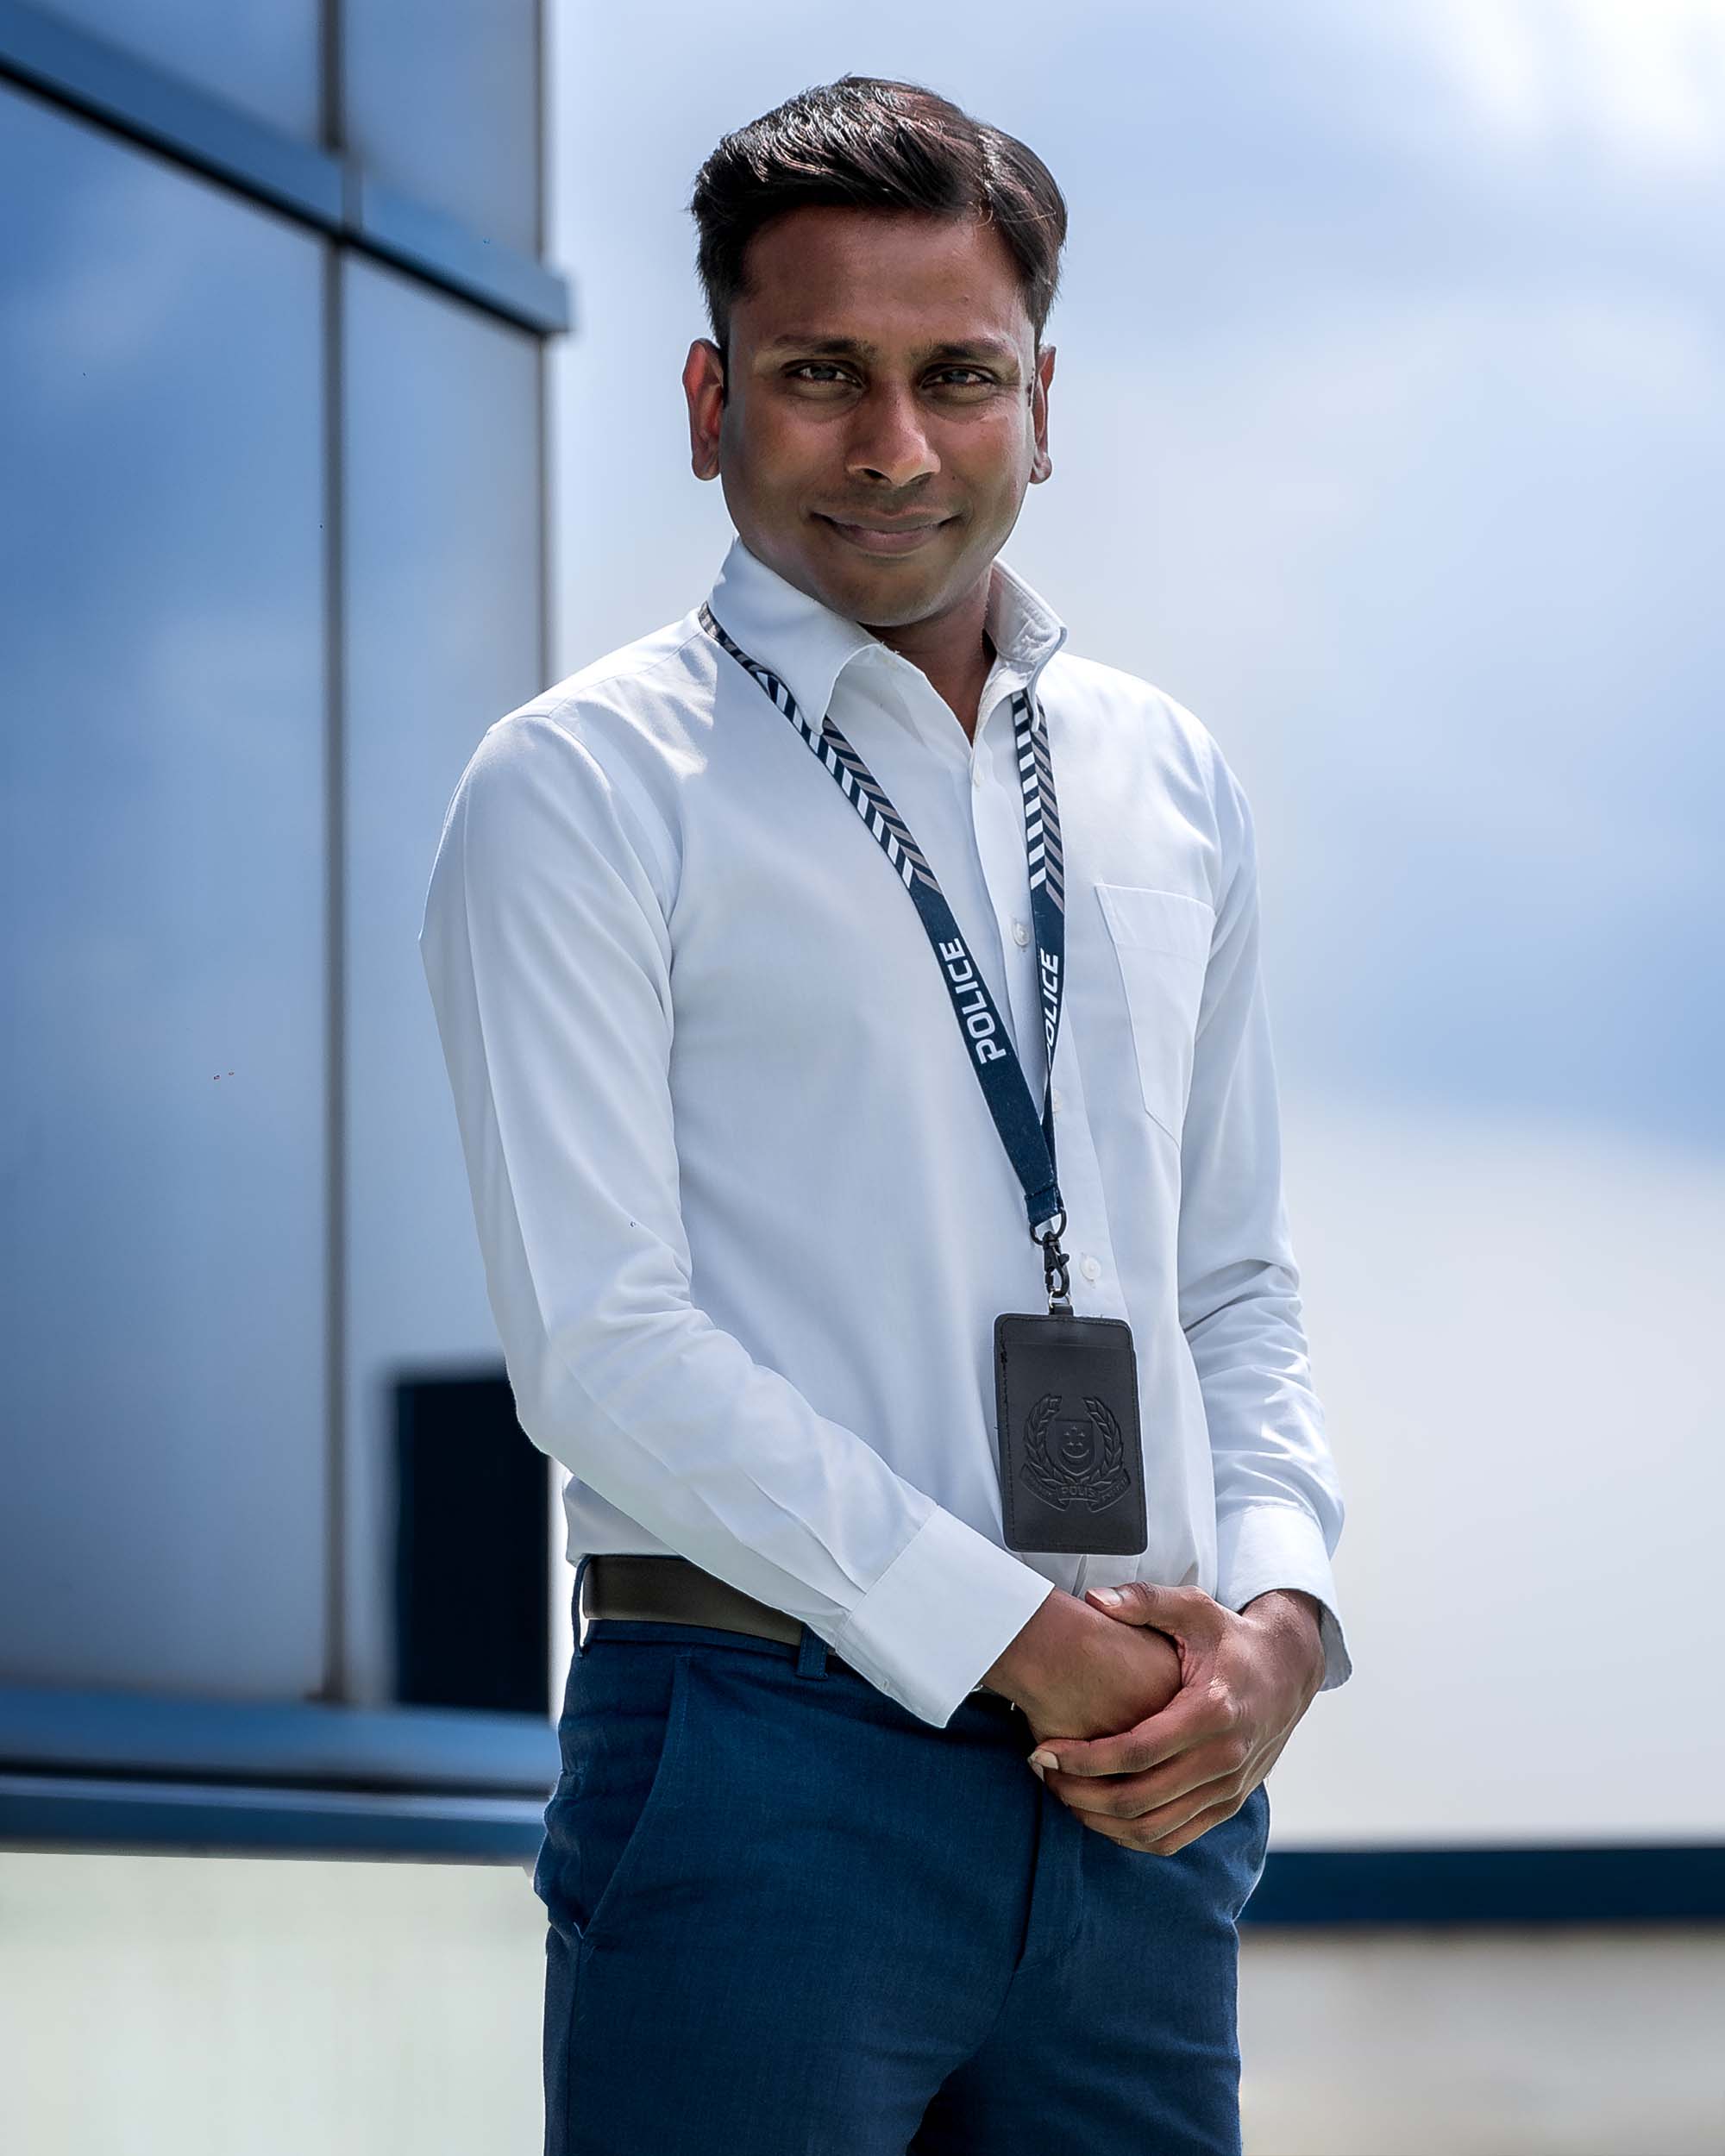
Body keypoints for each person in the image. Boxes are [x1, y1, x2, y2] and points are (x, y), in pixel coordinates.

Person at [418, 72, 1351, 2156]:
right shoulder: (577, 790)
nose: (897, 446)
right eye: (820, 373)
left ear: (1045, 399)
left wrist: (1281, 1629)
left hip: (1138, 1805)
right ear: (705, 394)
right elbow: (601, 1345)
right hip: (767, 1759)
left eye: (959, 375)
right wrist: (1017, 1636)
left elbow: (1235, 1280)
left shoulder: (1163, 776)